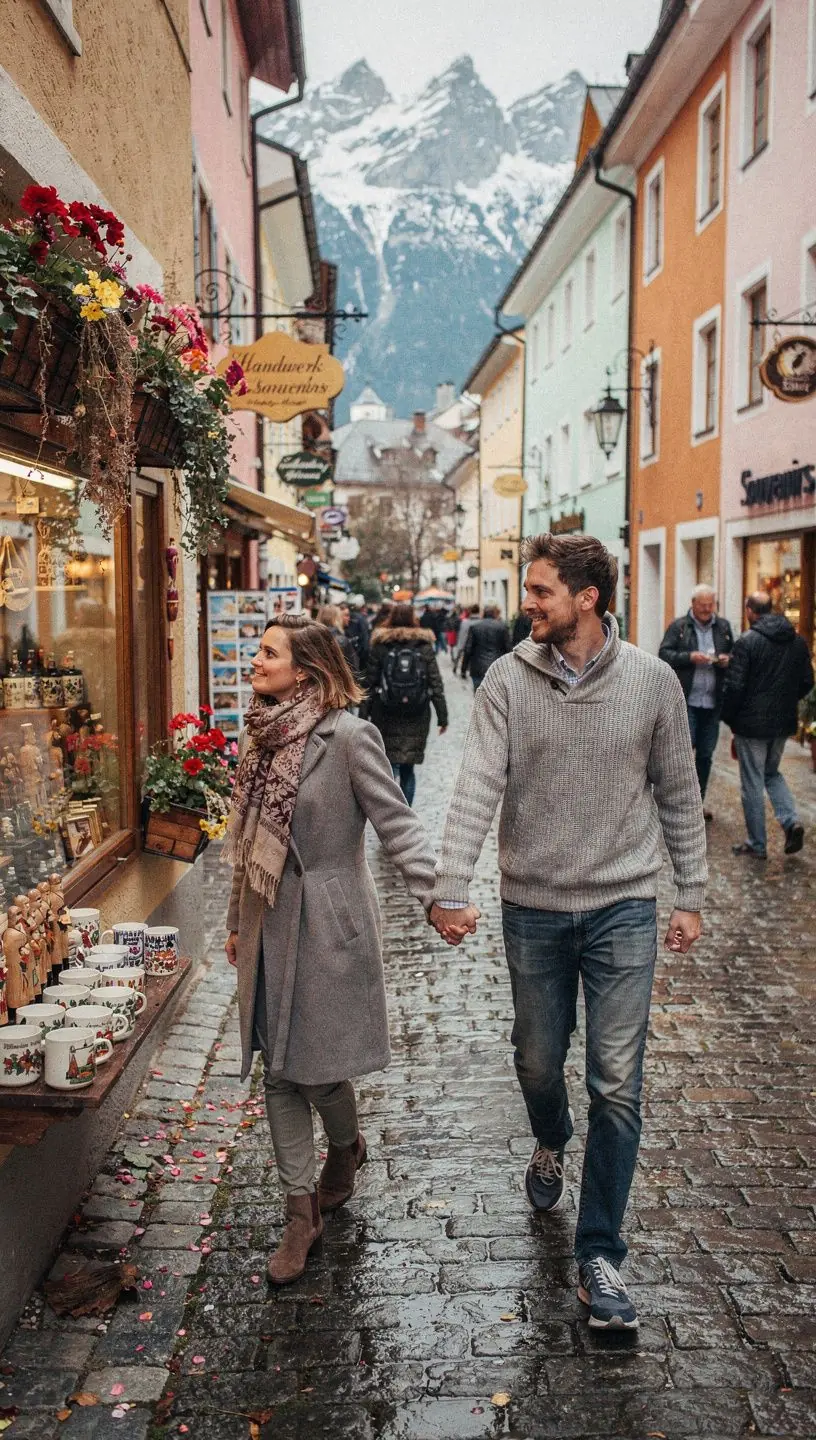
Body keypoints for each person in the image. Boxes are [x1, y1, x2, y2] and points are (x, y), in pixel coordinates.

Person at [430, 533, 707, 1332]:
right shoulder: (509, 680)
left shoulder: (653, 683)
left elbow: (681, 795)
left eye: (541, 591)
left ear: (588, 598)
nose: (528, 603)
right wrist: (450, 889)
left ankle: (600, 1254)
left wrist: (688, 893)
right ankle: (549, 1137)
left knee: (616, 1083)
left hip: (626, 906)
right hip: (534, 909)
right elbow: (479, 784)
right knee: (537, 1058)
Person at [223, 614, 436, 1286]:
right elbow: (245, 841)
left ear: (306, 671)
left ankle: (345, 1146)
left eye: (267, 653)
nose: (254, 662)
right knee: (277, 1069)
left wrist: (437, 895)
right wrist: (236, 919)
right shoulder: (258, 736)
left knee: (315, 1070)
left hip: (327, 917)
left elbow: (396, 822)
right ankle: (300, 1212)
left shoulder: (347, 737)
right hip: (268, 914)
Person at [721, 591, 813, 859]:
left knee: (752, 781)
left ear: (750, 610)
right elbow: (808, 680)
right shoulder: (797, 641)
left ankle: (757, 843)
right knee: (771, 773)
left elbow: (735, 687)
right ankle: (790, 821)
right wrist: (786, 702)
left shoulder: (747, 642)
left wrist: (730, 717)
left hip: (751, 725)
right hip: (782, 723)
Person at [658, 585, 734, 821]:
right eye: (702, 605)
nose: (707, 609)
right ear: (693, 604)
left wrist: (726, 660)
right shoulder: (679, 627)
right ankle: (677, 803)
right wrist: (689, 657)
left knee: (705, 755)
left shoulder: (723, 627)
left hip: (712, 703)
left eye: (710, 605)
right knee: (682, 754)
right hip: (686, 701)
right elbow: (664, 654)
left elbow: (734, 655)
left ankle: (696, 804)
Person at [362, 603, 448, 805]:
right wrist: (442, 717)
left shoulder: (381, 645)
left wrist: (363, 716)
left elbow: (369, 682)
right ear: (413, 618)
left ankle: (391, 813)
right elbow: (435, 683)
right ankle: (406, 812)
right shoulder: (424, 645)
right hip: (417, 713)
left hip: (385, 711)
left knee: (389, 765)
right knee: (409, 769)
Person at [461, 604, 511, 690]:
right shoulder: (502, 627)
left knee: (478, 696)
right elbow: (508, 649)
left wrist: (463, 668)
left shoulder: (475, 627)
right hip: (497, 668)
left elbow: (468, 649)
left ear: (483, 613)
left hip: (478, 668)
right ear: (494, 614)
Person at [317, 604, 356, 672]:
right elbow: (353, 668)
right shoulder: (342, 640)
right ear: (337, 618)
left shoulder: (311, 637)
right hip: (338, 680)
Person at [340, 601, 370, 676]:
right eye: (346, 615)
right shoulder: (339, 635)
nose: (349, 618)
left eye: (348, 615)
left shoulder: (354, 624)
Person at [453, 604, 479, 675]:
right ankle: (464, 670)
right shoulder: (479, 622)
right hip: (472, 643)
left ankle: (456, 667)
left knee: (459, 654)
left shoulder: (464, 621)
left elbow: (461, 632)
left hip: (463, 640)